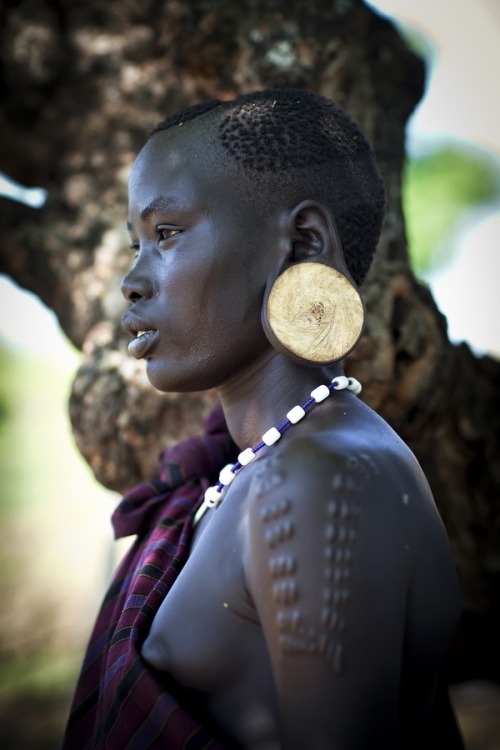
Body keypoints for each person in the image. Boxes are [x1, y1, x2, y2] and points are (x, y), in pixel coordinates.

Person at [63, 89, 462, 750]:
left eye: (165, 235)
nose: (131, 281)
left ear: (302, 242)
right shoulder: (256, 471)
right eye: (136, 243)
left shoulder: (318, 480)